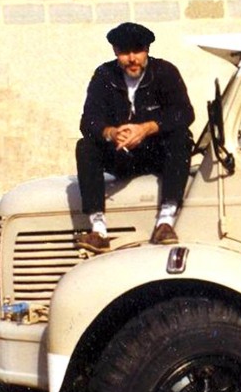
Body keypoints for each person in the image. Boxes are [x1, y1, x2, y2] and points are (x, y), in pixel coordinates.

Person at [75, 22, 195, 254]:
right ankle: (98, 229)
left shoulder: (165, 72)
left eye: (137, 51)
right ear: (115, 52)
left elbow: (184, 113)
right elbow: (89, 120)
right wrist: (110, 132)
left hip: (156, 153)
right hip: (121, 154)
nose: (131, 59)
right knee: (85, 147)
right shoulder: (104, 75)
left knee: (180, 137)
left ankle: (166, 222)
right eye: (124, 52)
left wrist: (147, 128)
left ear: (147, 49)